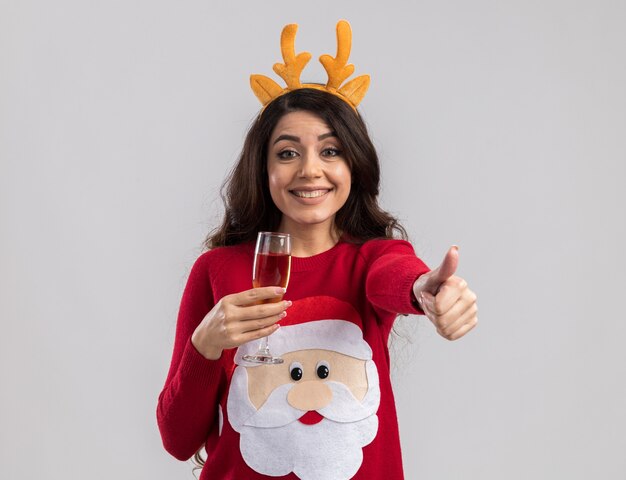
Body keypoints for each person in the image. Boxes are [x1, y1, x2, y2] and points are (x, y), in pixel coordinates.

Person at [157, 20, 478, 480]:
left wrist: (426, 290)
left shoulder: (373, 259)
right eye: (287, 153)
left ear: (355, 165)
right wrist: (205, 346)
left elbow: (398, 277)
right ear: (263, 169)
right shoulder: (216, 270)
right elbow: (177, 440)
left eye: (331, 152)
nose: (310, 170)